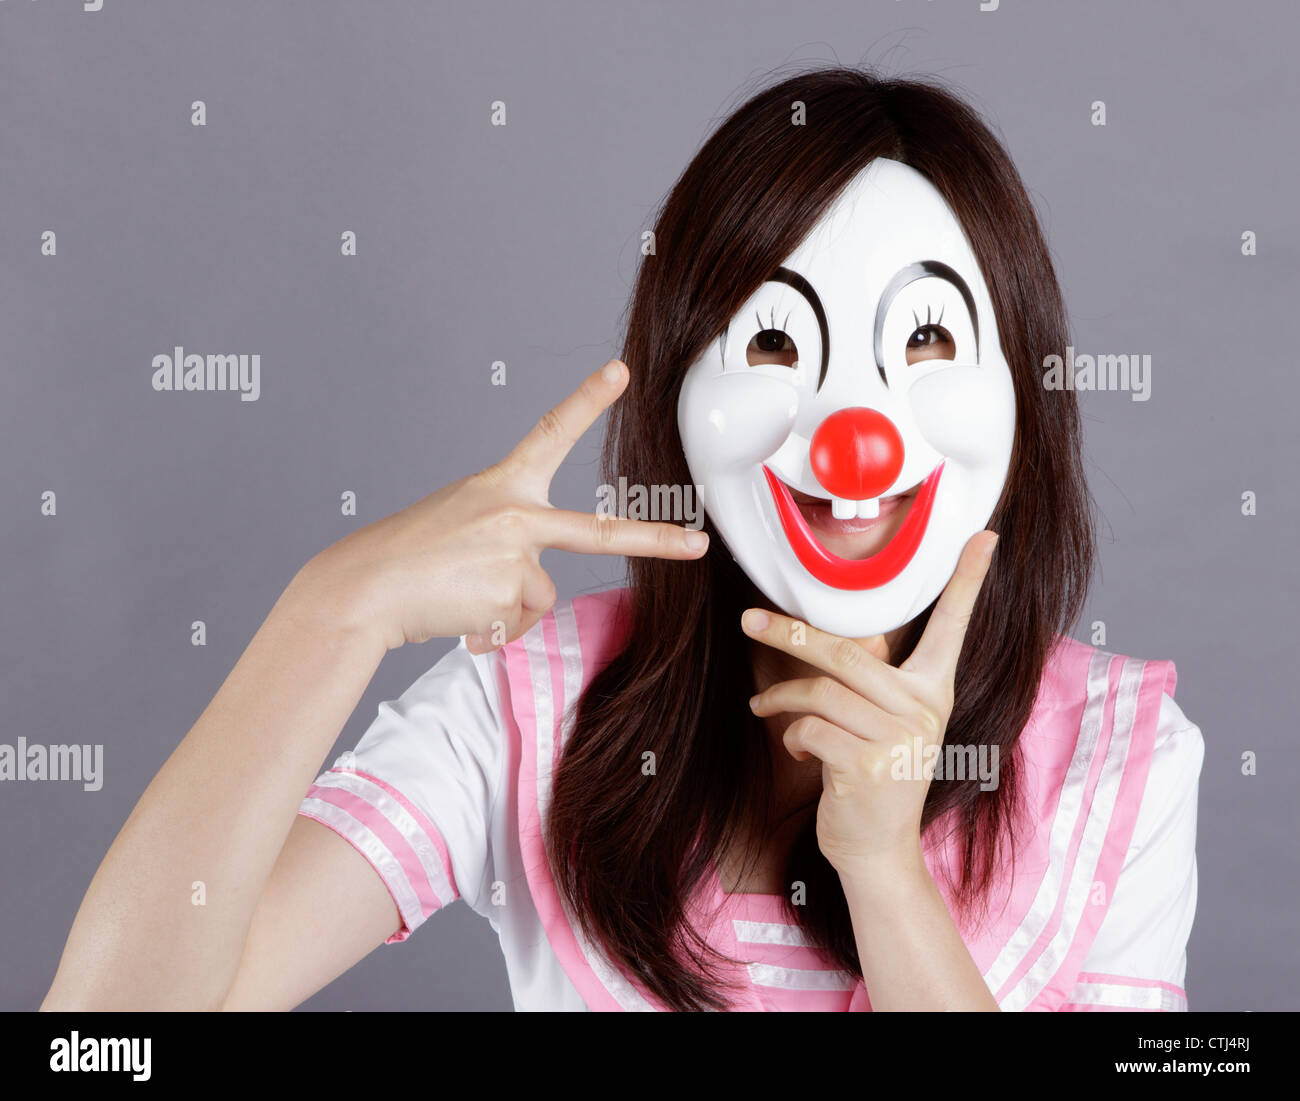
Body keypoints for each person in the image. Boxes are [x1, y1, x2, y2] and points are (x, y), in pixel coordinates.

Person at [41, 66, 1202, 1013]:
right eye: (773, 347)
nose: (855, 435)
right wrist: (330, 611)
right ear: (678, 389)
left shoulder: (1122, 758)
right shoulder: (522, 713)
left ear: (1022, 383)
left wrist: (887, 877)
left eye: (931, 342)